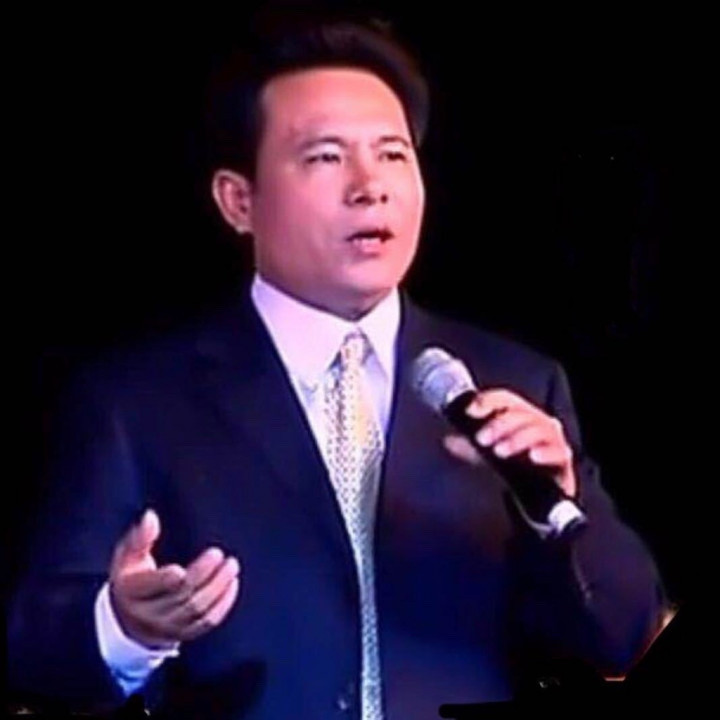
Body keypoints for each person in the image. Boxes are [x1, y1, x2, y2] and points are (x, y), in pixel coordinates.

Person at [8, 17, 665, 719]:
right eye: (325, 157)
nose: (369, 186)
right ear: (238, 201)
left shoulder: (516, 385)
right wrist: (125, 627)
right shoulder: (136, 400)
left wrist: (557, 512)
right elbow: (37, 657)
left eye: (393, 154)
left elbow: (627, 638)